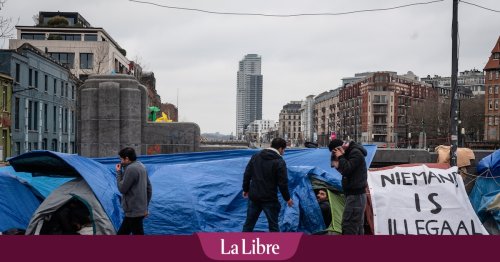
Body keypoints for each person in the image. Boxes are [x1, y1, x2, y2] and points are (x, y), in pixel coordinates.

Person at [242, 137, 294, 232]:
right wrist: (287, 199)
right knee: (273, 226)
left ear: (271, 145)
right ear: (280, 149)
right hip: (269, 198)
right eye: (284, 150)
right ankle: (275, 246)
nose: (284, 152)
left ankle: (242, 245)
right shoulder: (280, 162)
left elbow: (247, 174)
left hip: (254, 197)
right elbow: (282, 183)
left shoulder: (255, 156)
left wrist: (245, 189)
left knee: (249, 224)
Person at [329, 139, 367, 235]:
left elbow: (347, 169)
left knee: (349, 225)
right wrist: (337, 161)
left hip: (356, 195)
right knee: (356, 226)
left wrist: (341, 156)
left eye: (335, 151)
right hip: (353, 195)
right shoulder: (349, 153)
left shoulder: (355, 153)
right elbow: (343, 170)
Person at [116, 147, 152, 235]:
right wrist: (145, 208)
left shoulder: (131, 169)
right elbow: (149, 188)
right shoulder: (141, 166)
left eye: (121, 159)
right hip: (138, 210)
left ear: (127, 159)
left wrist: (118, 172)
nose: (121, 161)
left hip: (133, 211)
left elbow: (122, 189)